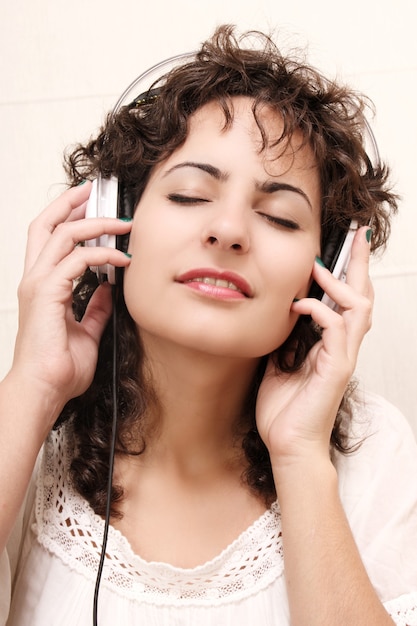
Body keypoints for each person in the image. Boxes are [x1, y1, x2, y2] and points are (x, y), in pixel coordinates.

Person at [0, 24, 416, 626]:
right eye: (191, 195)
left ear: (327, 268)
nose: (228, 230)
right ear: (112, 219)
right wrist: (32, 388)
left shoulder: (374, 450)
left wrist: (299, 457)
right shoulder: (25, 435)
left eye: (277, 215)